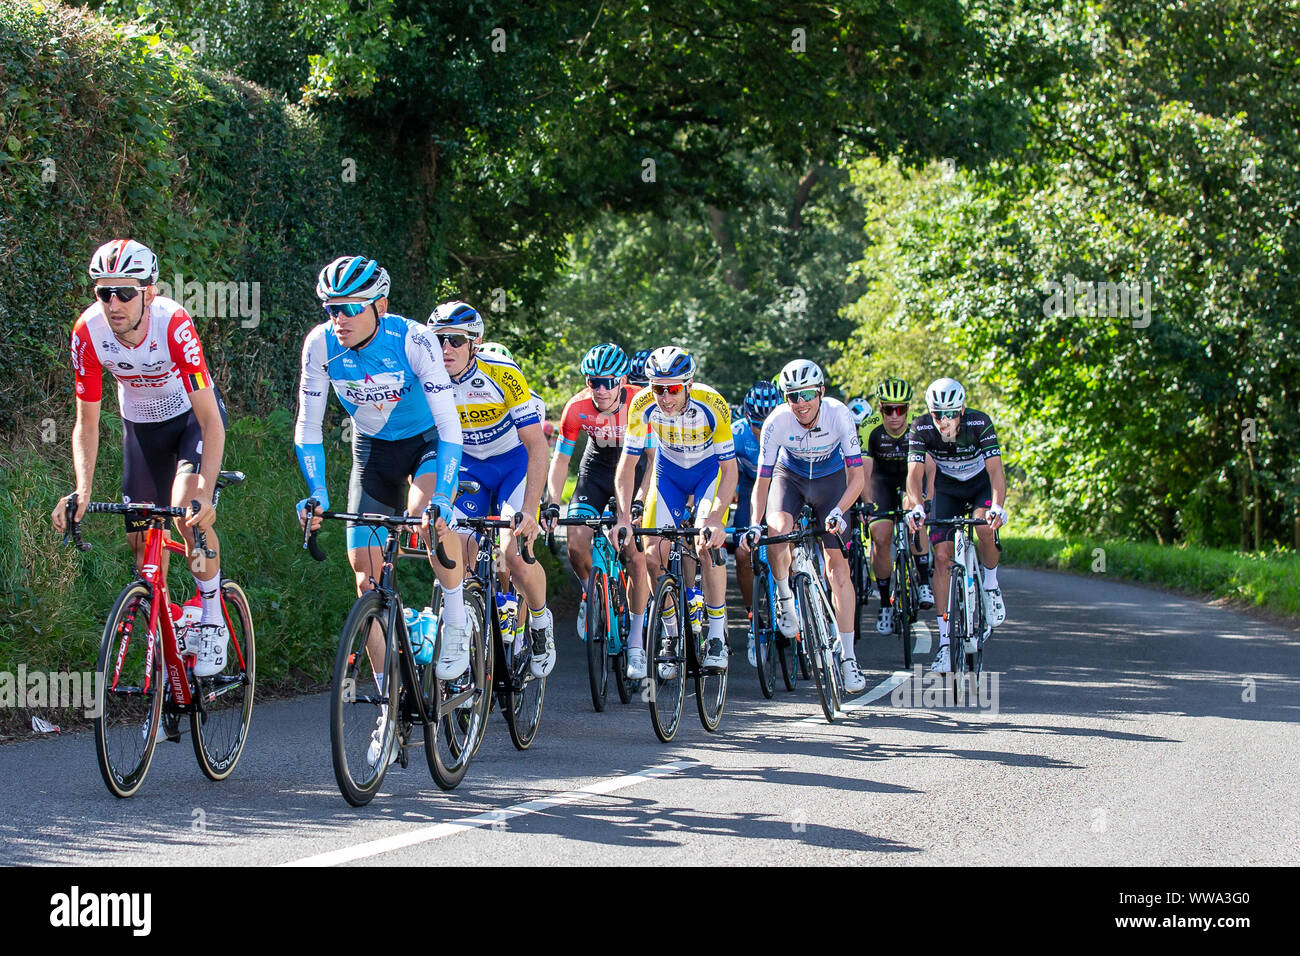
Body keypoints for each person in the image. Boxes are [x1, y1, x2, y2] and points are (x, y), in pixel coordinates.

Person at [293, 256, 466, 767]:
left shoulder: (414, 341)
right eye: (330, 309)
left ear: (380, 306)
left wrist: (441, 499)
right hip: (372, 451)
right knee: (365, 580)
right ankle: (391, 706)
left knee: (425, 522)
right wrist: (318, 491)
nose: (338, 318)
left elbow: (451, 427)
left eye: (349, 308)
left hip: (428, 443)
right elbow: (308, 426)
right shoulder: (320, 345)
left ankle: (455, 623)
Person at [52, 239, 231, 677]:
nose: (114, 303)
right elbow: (87, 424)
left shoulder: (174, 325)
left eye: (125, 293)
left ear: (149, 292)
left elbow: (211, 421)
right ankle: (167, 631)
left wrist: (206, 491)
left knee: (187, 509)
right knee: (141, 546)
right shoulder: (87, 333)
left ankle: (211, 618)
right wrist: (83, 489)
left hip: (189, 420)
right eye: (103, 293)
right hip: (141, 428)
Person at [431, 300, 556, 678]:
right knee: (461, 554)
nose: (446, 349)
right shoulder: (429, 376)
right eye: (438, 340)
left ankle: (538, 621)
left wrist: (531, 511)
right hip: (468, 465)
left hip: (512, 464)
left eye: (455, 340)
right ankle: (470, 640)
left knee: (514, 555)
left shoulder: (502, 373)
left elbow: (537, 447)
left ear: (475, 342)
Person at [744, 359, 867, 693]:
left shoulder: (839, 414)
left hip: (831, 482)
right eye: (793, 396)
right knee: (777, 531)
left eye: (808, 394)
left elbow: (857, 477)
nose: (801, 403)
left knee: (837, 566)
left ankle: (848, 657)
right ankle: (784, 597)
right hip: (791, 477)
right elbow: (763, 481)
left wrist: (841, 510)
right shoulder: (776, 422)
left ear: (821, 392)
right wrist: (755, 523)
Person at [615, 347, 737, 676]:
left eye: (673, 389)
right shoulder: (641, 405)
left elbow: (730, 469)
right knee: (652, 555)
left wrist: (715, 516)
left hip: (707, 473)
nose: (665, 397)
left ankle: (715, 635)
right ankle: (670, 635)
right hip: (668, 475)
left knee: (705, 544)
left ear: (688, 384)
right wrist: (624, 517)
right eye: (658, 388)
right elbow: (627, 467)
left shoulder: (711, 404)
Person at [542, 343, 652, 659]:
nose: (601, 389)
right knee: (576, 543)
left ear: (622, 380)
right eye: (594, 382)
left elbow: (652, 460)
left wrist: (639, 502)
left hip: (634, 470)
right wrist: (552, 501)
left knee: (634, 555)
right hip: (597, 469)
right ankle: (590, 593)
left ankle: (634, 640)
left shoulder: (640, 403)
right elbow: (561, 460)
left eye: (608, 382)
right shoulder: (576, 408)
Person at [905, 377, 1007, 674]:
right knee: (941, 557)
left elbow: (996, 471)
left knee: (985, 529)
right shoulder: (921, 427)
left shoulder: (979, 423)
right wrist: (916, 506)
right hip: (947, 489)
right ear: (930, 412)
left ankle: (990, 585)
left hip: (979, 486)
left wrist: (998, 506)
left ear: (962, 409)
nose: (945, 420)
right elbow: (914, 475)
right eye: (938, 414)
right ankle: (947, 644)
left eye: (951, 413)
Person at [858, 378, 935, 635]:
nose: (894, 415)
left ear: (907, 408)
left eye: (900, 409)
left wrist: (927, 498)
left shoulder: (919, 425)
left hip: (911, 476)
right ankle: (885, 604)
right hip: (881, 481)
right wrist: (867, 504)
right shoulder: (870, 428)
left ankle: (924, 580)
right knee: (880, 538)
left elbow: (930, 466)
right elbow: (864, 473)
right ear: (879, 408)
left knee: (916, 515)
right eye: (888, 409)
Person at [731, 381, 782, 665]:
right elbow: (723, 476)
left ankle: (796, 600)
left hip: (785, 488)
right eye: (756, 425)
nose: (762, 432)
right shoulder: (737, 434)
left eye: (768, 425)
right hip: (752, 488)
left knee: (789, 544)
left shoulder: (789, 430)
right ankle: (754, 620)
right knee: (742, 552)